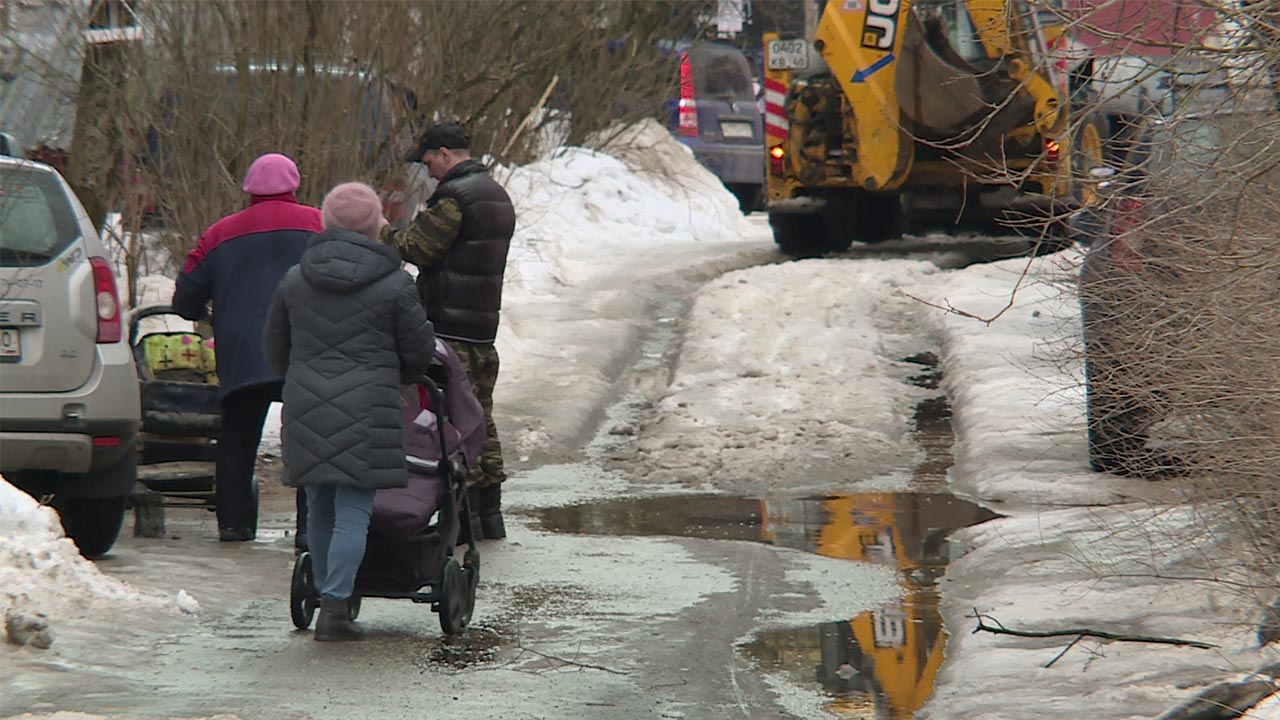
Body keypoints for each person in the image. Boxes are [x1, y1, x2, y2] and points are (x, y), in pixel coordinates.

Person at [265, 182, 434, 641]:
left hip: (305, 403)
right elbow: (418, 354)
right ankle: (336, 606)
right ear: (376, 224)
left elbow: (275, 348)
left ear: (326, 222)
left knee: (318, 503)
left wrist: (300, 377)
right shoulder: (397, 284)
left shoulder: (295, 279)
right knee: (354, 509)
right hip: (370, 404)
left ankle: (327, 596)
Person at [173, 153, 321, 542]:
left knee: (237, 439)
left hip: (242, 352)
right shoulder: (320, 224)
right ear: (294, 185)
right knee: (309, 438)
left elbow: (185, 294)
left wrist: (208, 312)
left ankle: (234, 524)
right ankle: (309, 530)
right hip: (303, 350)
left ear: (248, 189)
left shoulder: (219, 234)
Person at [381, 122, 515, 540]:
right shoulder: (494, 192)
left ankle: (464, 520)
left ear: (443, 154)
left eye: (428, 164)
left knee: (457, 421)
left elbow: (417, 247)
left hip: (452, 328)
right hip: (480, 324)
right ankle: (487, 515)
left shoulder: (457, 197)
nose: (429, 173)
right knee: (481, 419)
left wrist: (381, 232)